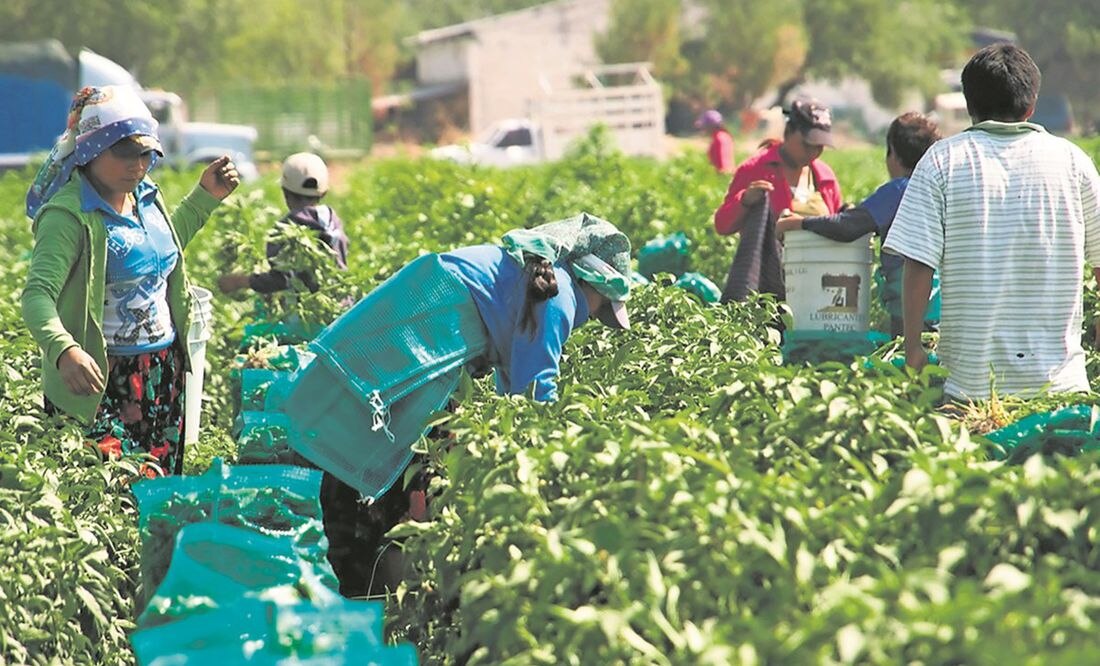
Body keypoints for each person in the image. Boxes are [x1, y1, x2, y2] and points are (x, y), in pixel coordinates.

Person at [277, 213, 632, 597]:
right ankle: (352, 577)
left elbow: (515, 380)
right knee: (369, 440)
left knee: (362, 428)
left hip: (422, 318)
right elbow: (536, 392)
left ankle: (352, 562)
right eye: (601, 307)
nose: (595, 315)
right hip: (426, 332)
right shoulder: (560, 296)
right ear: (591, 281)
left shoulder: (544, 278)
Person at [21, 85, 240, 476]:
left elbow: (159, 255)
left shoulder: (145, 197)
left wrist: (205, 197)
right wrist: (64, 351)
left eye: (145, 153)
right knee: (109, 492)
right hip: (102, 380)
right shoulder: (69, 215)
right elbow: (38, 296)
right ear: (89, 149)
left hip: (159, 371)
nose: (137, 165)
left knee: (158, 490)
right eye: (124, 153)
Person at [883, 43, 1100, 401]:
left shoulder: (943, 161)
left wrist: (913, 348)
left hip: (971, 391)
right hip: (1060, 388)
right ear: (1031, 105)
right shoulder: (1073, 162)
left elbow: (918, 264)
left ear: (970, 106)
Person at [776, 112, 943, 337]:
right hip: (947, 302)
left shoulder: (900, 190)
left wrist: (799, 223)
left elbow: (848, 227)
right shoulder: (941, 188)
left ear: (892, 153)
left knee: (911, 360)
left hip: (914, 302)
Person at [217, 152, 348, 295]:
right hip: (343, 304)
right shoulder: (333, 221)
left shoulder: (286, 229)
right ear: (324, 193)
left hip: (307, 311)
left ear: (285, 193)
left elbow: (281, 279)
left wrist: (239, 281)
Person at [713, 98, 843, 236]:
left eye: (819, 147)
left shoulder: (825, 176)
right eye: (806, 145)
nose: (813, 153)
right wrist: (744, 200)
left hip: (817, 257)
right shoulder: (755, 169)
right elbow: (722, 226)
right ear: (788, 132)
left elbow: (836, 226)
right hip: (770, 257)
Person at [695, 109, 735, 174]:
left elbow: (724, 165)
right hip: (728, 175)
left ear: (710, 126)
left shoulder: (719, 139)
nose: (703, 129)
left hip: (722, 177)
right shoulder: (725, 136)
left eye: (704, 126)